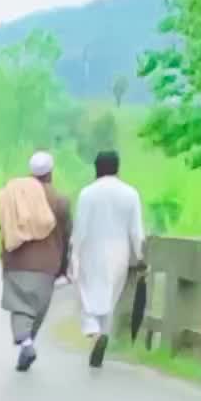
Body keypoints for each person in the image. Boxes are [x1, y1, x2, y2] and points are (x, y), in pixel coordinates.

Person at [0, 151, 72, 371]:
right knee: (38, 310)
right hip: (48, 265)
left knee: (20, 307)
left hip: (17, 262)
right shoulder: (60, 200)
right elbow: (66, 235)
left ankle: (26, 344)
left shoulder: (15, 195)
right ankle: (27, 344)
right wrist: (64, 266)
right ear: (50, 173)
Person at [71, 150, 145, 368]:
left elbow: (80, 228)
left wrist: (74, 252)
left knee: (86, 294)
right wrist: (140, 256)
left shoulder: (87, 194)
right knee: (110, 296)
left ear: (97, 168)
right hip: (119, 251)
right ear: (117, 168)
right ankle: (103, 333)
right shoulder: (130, 194)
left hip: (91, 249)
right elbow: (136, 231)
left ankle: (94, 332)